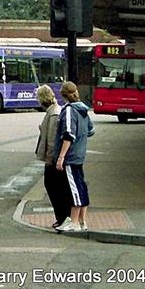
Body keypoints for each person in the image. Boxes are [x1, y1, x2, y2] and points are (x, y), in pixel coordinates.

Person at [54, 81, 95, 233]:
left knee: (74, 189)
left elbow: (68, 134)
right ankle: (83, 221)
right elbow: (91, 130)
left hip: (71, 156)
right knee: (81, 186)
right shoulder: (83, 110)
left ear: (63, 95)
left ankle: (75, 222)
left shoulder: (70, 110)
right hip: (80, 154)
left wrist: (61, 157)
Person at [35, 85, 71, 229]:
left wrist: (50, 160)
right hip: (53, 158)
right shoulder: (52, 111)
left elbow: (52, 140)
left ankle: (62, 216)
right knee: (55, 187)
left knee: (54, 187)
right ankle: (61, 217)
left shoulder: (54, 113)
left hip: (53, 160)